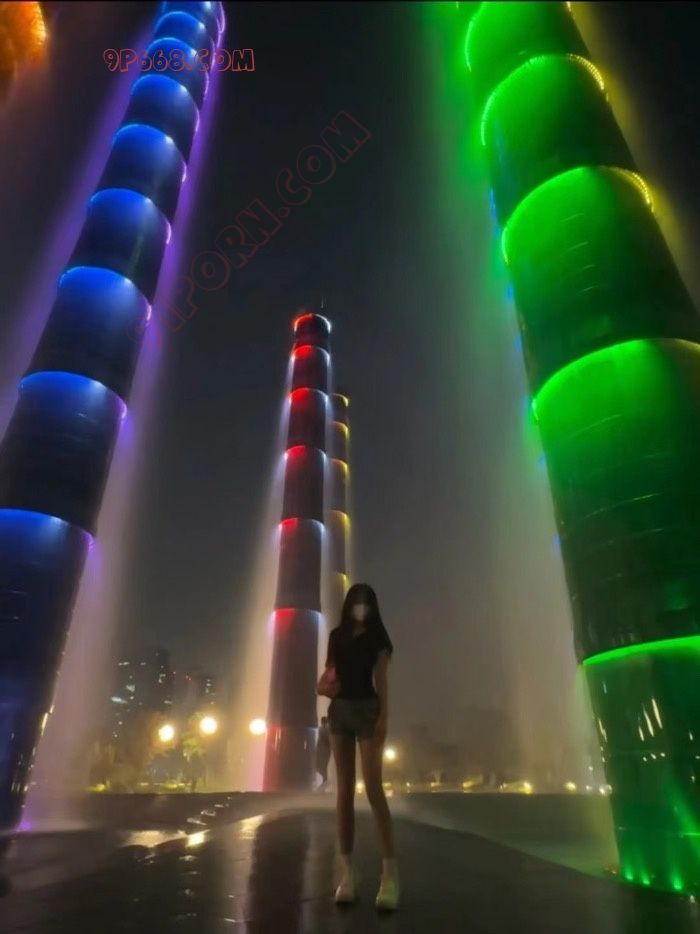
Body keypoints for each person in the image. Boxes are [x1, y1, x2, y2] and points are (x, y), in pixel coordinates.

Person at [324, 582, 398, 911]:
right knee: (343, 792)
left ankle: (390, 875)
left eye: (366, 602)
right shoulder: (336, 636)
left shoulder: (379, 639)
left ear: (373, 607)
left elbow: (381, 682)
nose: (361, 606)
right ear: (349, 604)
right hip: (339, 712)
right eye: (356, 601)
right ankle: (347, 874)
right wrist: (324, 684)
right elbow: (330, 675)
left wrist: (384, 719)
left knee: (373, 788)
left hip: (368, 711)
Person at [316, 716, 332, 790]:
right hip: (325, 749)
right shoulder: (325, 728)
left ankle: (325, 780)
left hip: (323, 749)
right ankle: (325, 779)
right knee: (323, 765)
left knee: (321, 765)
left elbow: (323, 739)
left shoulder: (323, 729)